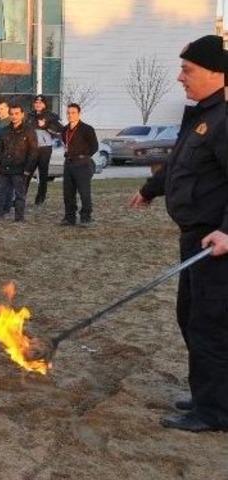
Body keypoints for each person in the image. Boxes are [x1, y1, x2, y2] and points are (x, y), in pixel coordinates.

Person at [130, 35, 228, 433]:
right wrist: (149, 190)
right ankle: (210, 394)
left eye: (188, 70)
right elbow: (179, 165)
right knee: (191, 318)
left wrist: (226, 231)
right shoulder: (201, 116)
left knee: (209, 324)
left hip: (214, 244)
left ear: (216, 73)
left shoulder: (224, 120)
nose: (179, 77)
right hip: (194, 238)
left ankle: (214, 411)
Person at [0, 104, 37, 223]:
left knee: (20, 195)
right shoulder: (5, 130)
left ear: (22, 114)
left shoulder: (29, 131)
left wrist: (28, 168)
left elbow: (33, 151)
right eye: (12, 114)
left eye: (17, 114)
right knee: (0, 193)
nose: (14, 116)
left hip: (20, 168)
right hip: (4, 167)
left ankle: (19, 217)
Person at [60, 103, 99, 226]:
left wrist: (83, 156)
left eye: (73, 113)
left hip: (82, 164)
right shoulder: (65, 129)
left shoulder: (87, 129)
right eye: (68, 113)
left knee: (84, 192)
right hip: (69, 164)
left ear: (79, 114)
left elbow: (94, 146)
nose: (70, 115)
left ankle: (86, 217)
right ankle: (69, 217)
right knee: (68, 192)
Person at [28, 94, 63, 205]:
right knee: (26, 173)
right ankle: (20, 197)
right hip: (31, 148)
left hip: (45, 149)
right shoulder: (29, 115)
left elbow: (59, 130)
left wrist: (46, 125)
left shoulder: (51, 116)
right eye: (36, 102)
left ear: (45, 104)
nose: (38, 104)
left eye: (40, 102)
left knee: (43, 175)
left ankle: (40, 199)